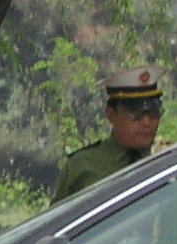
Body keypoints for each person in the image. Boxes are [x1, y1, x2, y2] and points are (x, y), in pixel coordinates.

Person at [52, 68, 165, 201]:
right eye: (136, 113)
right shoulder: (83, 165)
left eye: (153, 112)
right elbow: (59, 218)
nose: (147, 122)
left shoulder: (167, 158)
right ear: (111, 115)